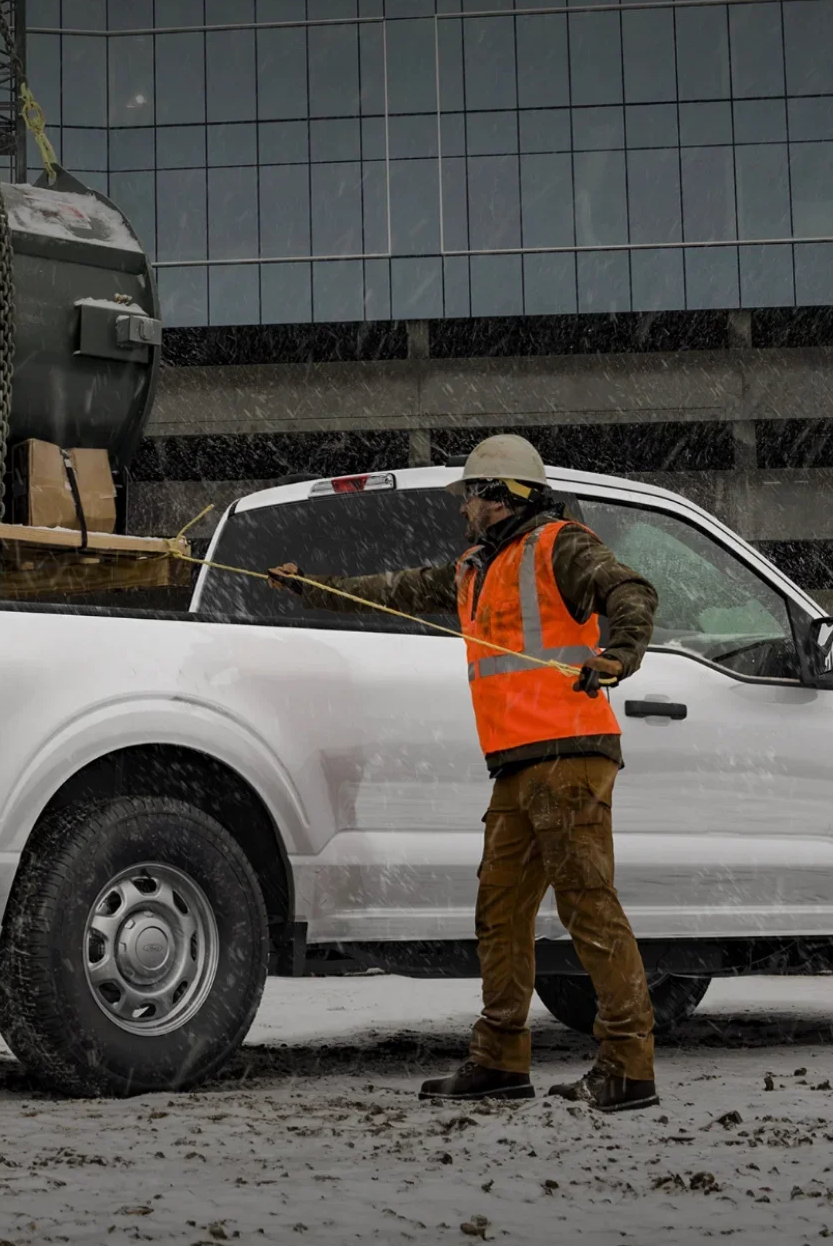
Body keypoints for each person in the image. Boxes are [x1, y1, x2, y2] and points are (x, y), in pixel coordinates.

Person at [267, 435, 662, 1112]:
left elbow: (631, 590)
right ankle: (501, 1060)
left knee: (587, 907)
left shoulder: (560, 545)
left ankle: (629, 1068)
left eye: (471, 497)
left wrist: (618, 654)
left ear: (504, 497)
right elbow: (390, 590)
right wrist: (313, 588)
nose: (463, 510)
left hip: (569, 753)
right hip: (517, 765)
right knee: (499, 912)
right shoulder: (475, 568)